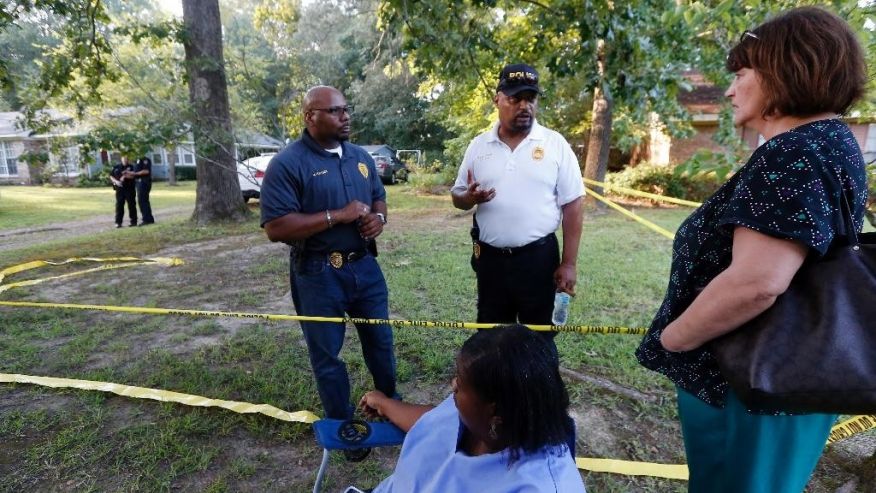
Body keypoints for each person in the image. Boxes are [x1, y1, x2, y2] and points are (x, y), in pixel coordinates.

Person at [635, 7, 868, 492]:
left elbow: (758, 283)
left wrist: (673, 338)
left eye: (741, 73)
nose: (729, 88)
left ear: (784, 71)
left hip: (754, 382)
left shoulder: (796, 152)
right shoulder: (828, 143)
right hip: (784, 373)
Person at [260, 86, 397, 427]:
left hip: (365, 267)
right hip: (317, 273)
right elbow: (276, 227)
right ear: (310, 117)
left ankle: (391, 408)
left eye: (346, 109)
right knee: (327, 356)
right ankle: (343, 425)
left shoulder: (361, 158)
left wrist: (377, 219)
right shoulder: (288, 163)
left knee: (380, 341)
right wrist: (337, 215)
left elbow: (379, 197)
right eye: (335, 111)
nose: (345, 116)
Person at [450, 63, 584, 348]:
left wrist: (569, 263)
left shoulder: (554, 144)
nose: (525, 106)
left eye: (530, 98)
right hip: (491, 263)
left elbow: (573, 204)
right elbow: (457, 196)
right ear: (497, 99)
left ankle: (538, 393)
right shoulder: (478, 146)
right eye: (515, 98)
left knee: (539, 340)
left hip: (538, 260)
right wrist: (469, 198)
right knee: (491, 338)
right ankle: (496, 392)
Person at [359, 325, 585, 493]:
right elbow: (434, 422)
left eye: (460, 382)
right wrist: (385, 404)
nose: (453, 385)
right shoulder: (475, 415)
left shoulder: (538, 486)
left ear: (495, 412)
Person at [110, 156, 137, 228]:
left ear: (128, 159)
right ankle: (118, 222)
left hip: (129, 189)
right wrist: (116, 182)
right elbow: (111, 176)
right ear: (121, 159)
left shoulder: (132, 167)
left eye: (126, 159)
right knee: (119, 206)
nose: (125, 160)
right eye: (123, 158)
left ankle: (133, 222)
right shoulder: (116, 167)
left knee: (131, 205)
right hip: (119, 189)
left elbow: (133, 176)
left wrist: (124, 176)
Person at [130, 156, 155, 225]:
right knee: (142, 201)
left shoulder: (145, 160)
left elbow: (146, 171)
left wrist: (134, 173)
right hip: (138, 182)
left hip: (144, 182)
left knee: (143, 200)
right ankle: (148, 218)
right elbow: (136, 172)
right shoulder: (136, 160)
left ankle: (147, 219)